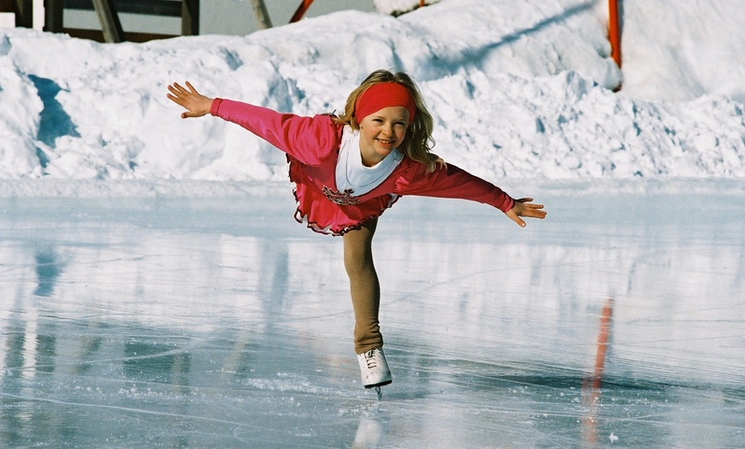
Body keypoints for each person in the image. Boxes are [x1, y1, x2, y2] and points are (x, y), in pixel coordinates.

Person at [167, 69, 546, 391]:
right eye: (378, 120)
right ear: (359, 119)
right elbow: (267, 122)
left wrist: (504, 202)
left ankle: (369, 348)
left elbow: (456, 182)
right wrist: (212, 106)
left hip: (361, 204)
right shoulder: (318, 140)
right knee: (352, 245)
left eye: (399, 123)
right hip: (321, 184)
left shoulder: (406, 169)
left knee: (358, 258)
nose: (388, 131)